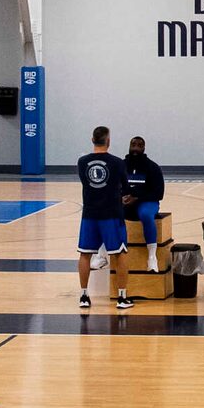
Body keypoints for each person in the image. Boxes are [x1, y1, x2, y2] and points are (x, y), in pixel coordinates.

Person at [75, 125, 132, 310]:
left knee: (85, 254)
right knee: (119, 254)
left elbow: (87, 183)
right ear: (108, 141)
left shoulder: (82, 162)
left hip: (90, 214)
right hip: (111, 214)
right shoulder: (117, 163)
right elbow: (126, 187)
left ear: (93, 140)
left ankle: (84, 296)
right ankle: (122, 297)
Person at [122, 135, 167, 273]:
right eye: (133, 144)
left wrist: (137, 197)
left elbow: (159, 193)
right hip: (126, 202)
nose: (135, 147)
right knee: (108, 213)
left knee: (146, 215)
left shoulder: (153, 167)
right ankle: (103, 255)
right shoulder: (121, 166)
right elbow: (114, 187)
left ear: (144, 148)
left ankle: (152, 258)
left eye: (139, 145)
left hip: (147, 202)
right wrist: (121, 197)